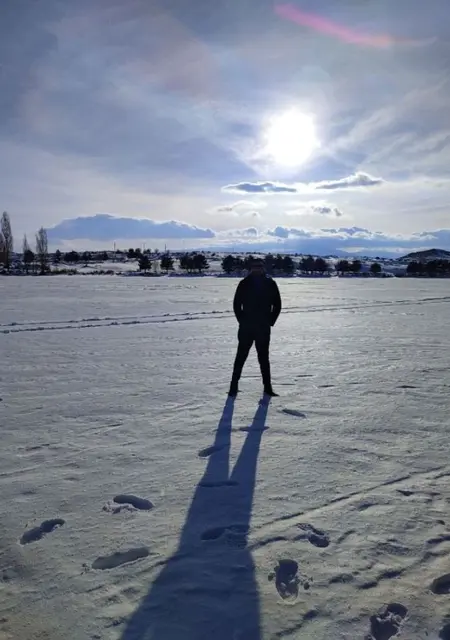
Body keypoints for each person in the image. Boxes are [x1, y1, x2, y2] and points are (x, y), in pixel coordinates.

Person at [228, 258, 282, 397]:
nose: (257, 269)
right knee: (240, 357)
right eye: (254, 267)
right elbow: (236, 304)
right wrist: (242, 321)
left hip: (263, 327)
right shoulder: (244, 283)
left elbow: (277, 304)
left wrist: (270, 321)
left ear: (263, 268)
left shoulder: (270, 283)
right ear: (251, 268)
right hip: (247, 327)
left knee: (263, 358)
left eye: (259, 267)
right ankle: (233, 387)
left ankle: (267, 388)